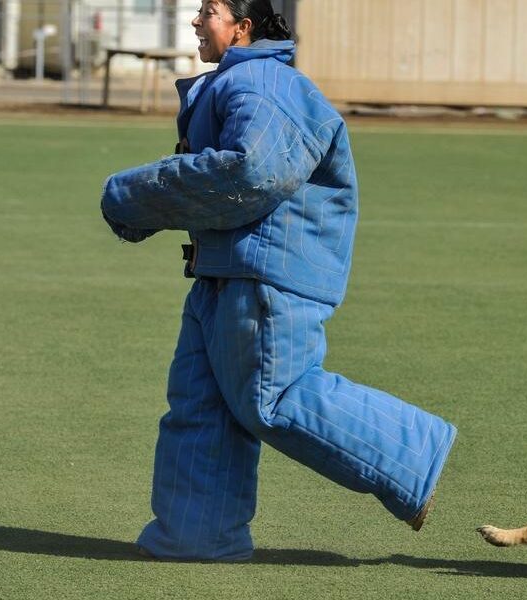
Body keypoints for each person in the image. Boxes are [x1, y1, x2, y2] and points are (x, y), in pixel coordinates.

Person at [100, 0, 457, 561]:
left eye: (209, 11)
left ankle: (414, 453)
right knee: (202, 409)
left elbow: (252, 170)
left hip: (265, 277)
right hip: (224, 274)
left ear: (243, 28)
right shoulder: (242, 81)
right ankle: (198, 534)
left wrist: (133, 197)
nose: (195, 20)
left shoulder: (264, 80)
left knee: (275, 397)